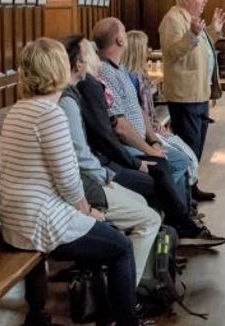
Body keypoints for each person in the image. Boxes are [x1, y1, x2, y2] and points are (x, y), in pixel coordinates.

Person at [0, 38, 144, 326]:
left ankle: (99, 309)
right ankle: (128, 321)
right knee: (121, 246)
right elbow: (68, 181)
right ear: (58, 69)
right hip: (39, 223)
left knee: (103, 235)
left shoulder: (18, 109)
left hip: (12, 220)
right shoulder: (50, 114)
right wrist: (88, 212)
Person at [76, 37, 225, 247]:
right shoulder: (93, 84)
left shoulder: (106, 77)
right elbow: (111, 132)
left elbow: (140, 110)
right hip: (109, 159)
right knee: (163, 170)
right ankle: (174, 226)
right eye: (88, 52)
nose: (94, 55)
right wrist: (138, 159)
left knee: (177, 160)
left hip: (127, 147)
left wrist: (154, 139)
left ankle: (178, 221)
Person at [59, 35, 162, 286]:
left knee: (145, 195)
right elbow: (76, 164)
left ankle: (140, 275)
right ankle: (130, 289)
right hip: (89, 182)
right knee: (150, 214)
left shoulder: (74, 94)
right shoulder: (67, 102)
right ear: (79, 64)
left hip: (92, 175)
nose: (96, 56)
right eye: (89, 53)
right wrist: (104, 183)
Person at [93, 18, 192, 200]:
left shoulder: (120, 69)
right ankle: (171, 209)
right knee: (177, 162)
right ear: (120, 41)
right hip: (128, 146)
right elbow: (120, 126)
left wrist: (153, 139)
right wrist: (149, 149)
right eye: (124, 31)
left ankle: (176, 209)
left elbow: (139, 109)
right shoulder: (104, 72)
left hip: (144, 139)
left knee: (182, 158)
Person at [159, 0, 225, 201]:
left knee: (196, 147)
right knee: (188, 148)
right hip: (184, 95)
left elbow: (199, 51)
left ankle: (192, 186)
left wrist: (213, 33)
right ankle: (184, 195)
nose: (205, 0)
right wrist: (192, 34)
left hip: (199, 93)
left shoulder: (192, 19)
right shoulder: (173, 20)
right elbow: (172, 53)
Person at [122, 30, 200, 188]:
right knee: (183, 158)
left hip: (151, 128)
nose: (148, 51)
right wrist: (154, 134)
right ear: (137, 50)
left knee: (188, 154)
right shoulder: (130, 78)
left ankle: (187, 196)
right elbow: (137, 113)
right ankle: (175, 201)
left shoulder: (139, 75)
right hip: (144, 134)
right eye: (145, 47)